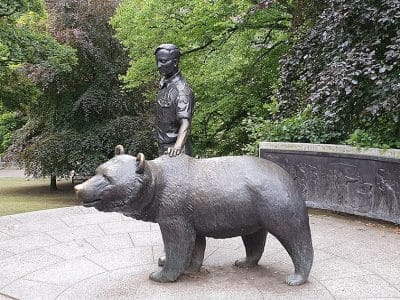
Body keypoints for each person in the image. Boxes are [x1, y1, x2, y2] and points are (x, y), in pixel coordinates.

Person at [155, 44, 195, 157]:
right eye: (157, 61)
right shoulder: (164, 87)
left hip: (177, 153)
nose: (159, 65)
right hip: (163, 150)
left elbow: (185, 123)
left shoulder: (182, 91)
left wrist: (177, 147)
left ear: (175, 62)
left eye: (163, 61)